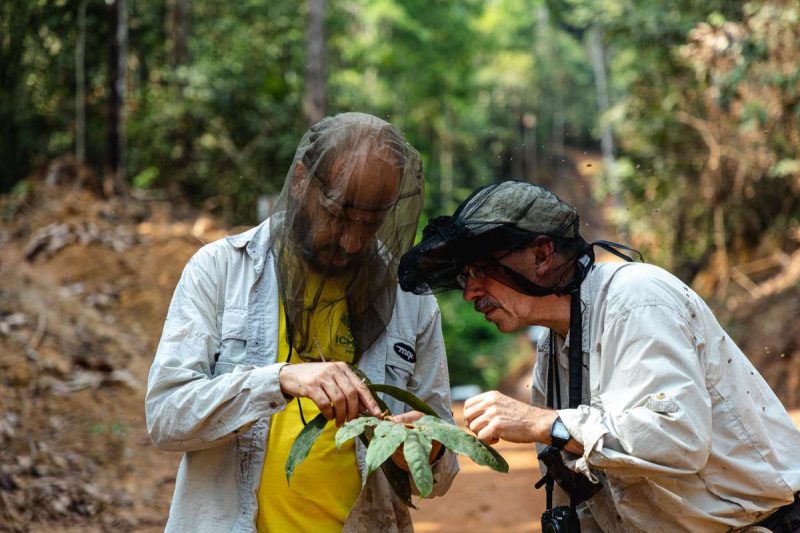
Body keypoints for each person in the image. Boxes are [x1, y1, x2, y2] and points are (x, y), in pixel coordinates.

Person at [398, 180, 800, 532]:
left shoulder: (636, 299)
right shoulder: (552, 348)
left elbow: (677, 437)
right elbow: (586, 495)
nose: (470, 293)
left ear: (541, 256)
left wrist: (545, 423)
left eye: (481, 271)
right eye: (464, 278)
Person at [146, 112, 458, 533]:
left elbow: (441, 472)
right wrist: (279, 380)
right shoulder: (220, 271)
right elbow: (166, 417)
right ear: (300, 180)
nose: (351, 240)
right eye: (339, 214)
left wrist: (429, 451)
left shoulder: (410, 303)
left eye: (371, 223)